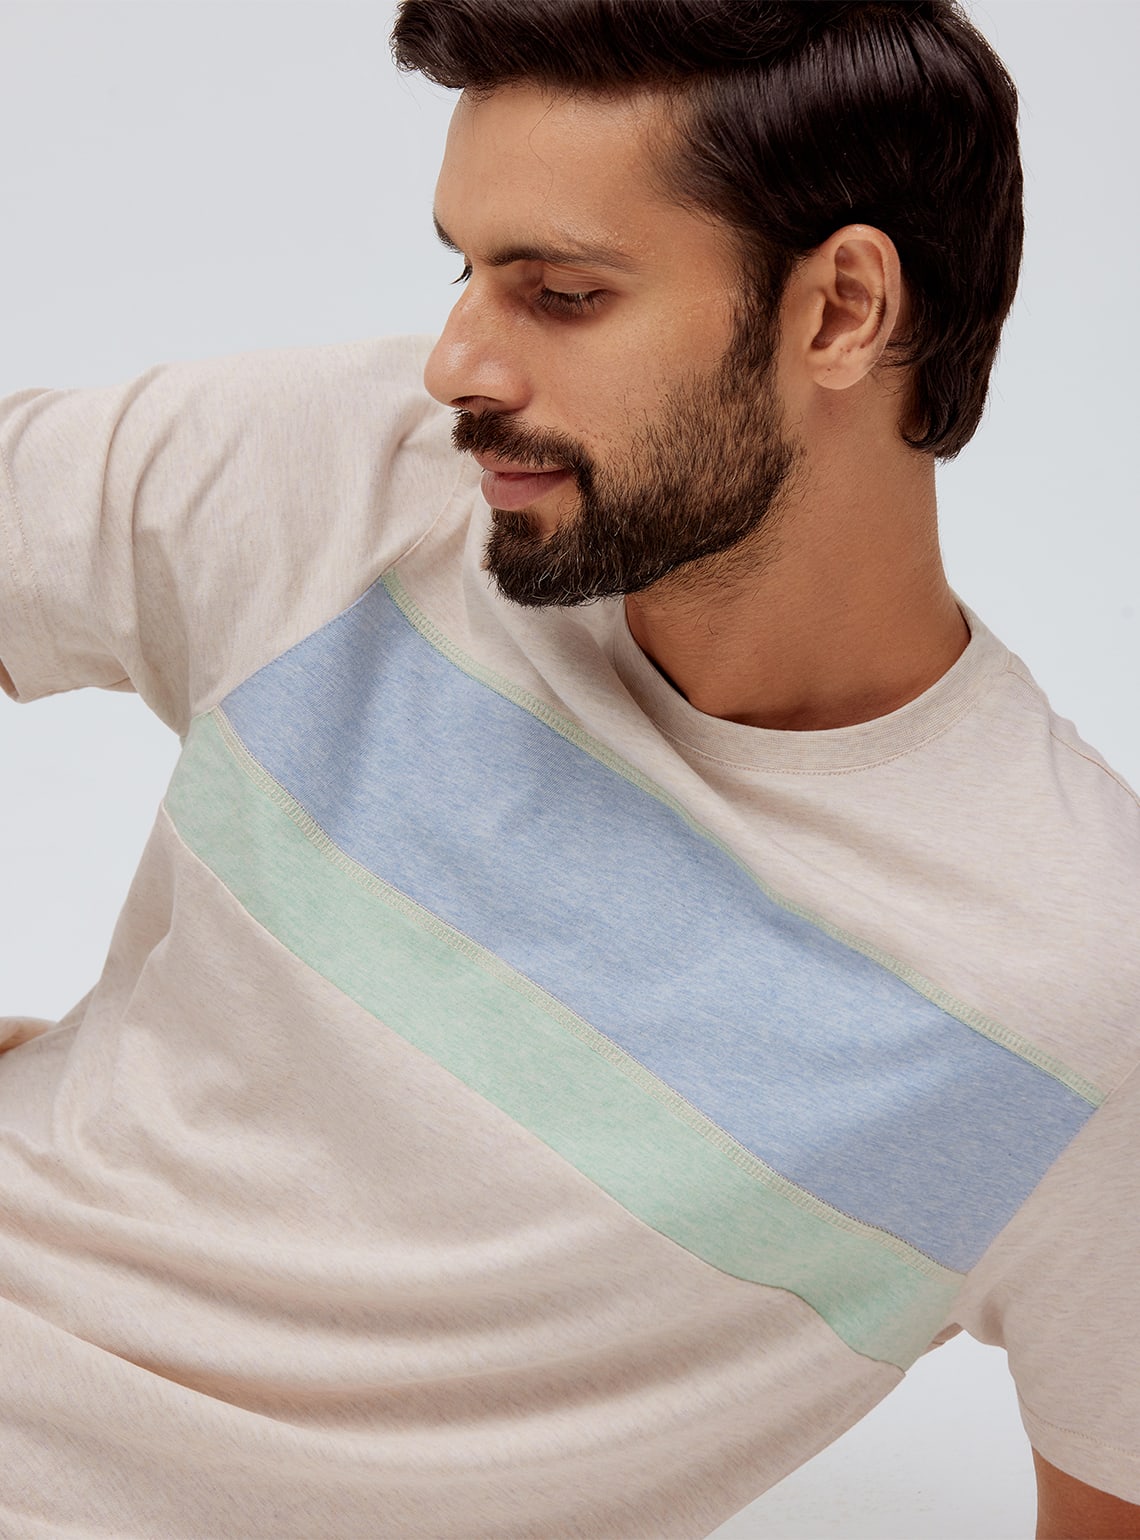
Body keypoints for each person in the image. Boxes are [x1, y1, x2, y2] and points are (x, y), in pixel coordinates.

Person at [0, 1, 1137, 1536]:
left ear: (841, 312)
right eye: (463, 273)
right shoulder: (353, 478)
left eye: (563, 294)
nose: (457, 361)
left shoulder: (1071, 990)